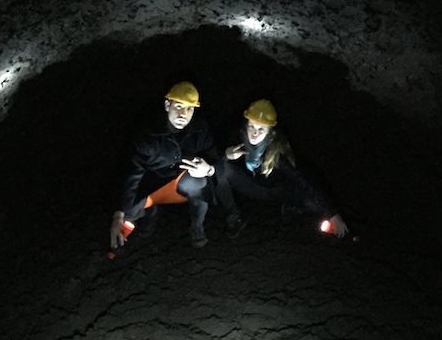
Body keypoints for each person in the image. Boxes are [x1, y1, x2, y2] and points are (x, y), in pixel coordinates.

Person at [109, 81, 222, 249]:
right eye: (178, 106)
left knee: (199, 182)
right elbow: (131, 173)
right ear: (167, 105)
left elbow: (215, 159)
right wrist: (119, 212)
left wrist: (209, 169)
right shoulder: (148, 133)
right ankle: (147, 222)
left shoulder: (200, 130)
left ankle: (197, 227)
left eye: (189, 108)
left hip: (181, 184)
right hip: (152, 187)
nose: (183, 114)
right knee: (128, 211)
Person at [215, 99, 349, 238]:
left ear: (270, 132)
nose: (254, 133)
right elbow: (211, 158)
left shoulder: (277, 153)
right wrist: (226, 155)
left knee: (310, 203)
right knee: (220, 168)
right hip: (251, 188)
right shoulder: (237, 140)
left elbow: (303, 181)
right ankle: (234, 216)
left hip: (274, 193)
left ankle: (291, 211)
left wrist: (332, 214)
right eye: (252, 127)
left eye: (261, 129)